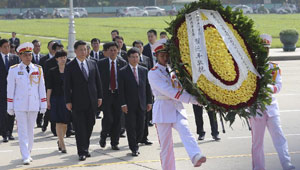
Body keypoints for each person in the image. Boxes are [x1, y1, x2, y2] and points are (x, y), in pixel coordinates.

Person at [148, 43, 206, 169]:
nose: (164, 58)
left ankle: (195, 155)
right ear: (156, 56)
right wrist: (192, 100)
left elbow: (180, 89)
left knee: (185, 129)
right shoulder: (153, 73)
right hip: (162, 109)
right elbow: (170, 91)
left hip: (176, 108)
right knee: (166, 146)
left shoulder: (172, 71)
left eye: (166, 55)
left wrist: (199, 99)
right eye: (161, 55)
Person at [250, 34, 295, 170]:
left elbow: (278, 86)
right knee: (257, 142)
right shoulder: (251, 69)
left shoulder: (274, 68)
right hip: (256, 109)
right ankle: (258, 167)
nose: (264, 53)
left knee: (279, 137)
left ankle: (286, 163)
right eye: (261, 50)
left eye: (266, 50)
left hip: (271, 108)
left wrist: (268, 87)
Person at [7, 42, 47, 165]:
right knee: (22, 131)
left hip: (34, 104)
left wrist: (43, 103)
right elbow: (10, 89)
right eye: (25, 55)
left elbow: (41, 87)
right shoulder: (14, 70)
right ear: (20, 56)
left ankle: (28, 152)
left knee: (30, 130)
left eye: (30, 55)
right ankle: (25, 155)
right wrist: (10, 105)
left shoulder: (38, 69)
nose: (28, 57)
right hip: (20, 104)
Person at [64, 40, 103, 161]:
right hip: (77, 102)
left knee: (90, 124)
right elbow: (66, 86)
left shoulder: (92, 63)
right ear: (75, 51)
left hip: (92, 101)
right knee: (80, 127)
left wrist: (100, 97)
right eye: (80, 49)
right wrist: (68, 101)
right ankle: (82, 151)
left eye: (85, 49)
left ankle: (85, 147)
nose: (83, 52)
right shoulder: (70, 66)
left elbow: (98, 82)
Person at [119, 47, 152, 156]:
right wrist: (123, 103)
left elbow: (147, 87)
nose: (134, 59)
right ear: (128, 58)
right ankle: (133, 147)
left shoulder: (144, 70)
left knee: (141, 126)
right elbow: (121, 90)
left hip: (142, 103)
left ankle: (137, 141)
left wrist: (149, 102)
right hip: (129, 104)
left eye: (136, 57)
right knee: (131, 126)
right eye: (132, 57)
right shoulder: (123, 72)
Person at [98, 42, 127, 150]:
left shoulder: (122, 63)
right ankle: (104, 135)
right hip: (106, 95)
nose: (113, 52)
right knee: (108, 118)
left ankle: (115, 142)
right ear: (107, 51)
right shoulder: (101, 63)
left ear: (118, 51)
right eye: (111, 50)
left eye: (115, 50)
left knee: (117, 119)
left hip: (118, 95)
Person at [46, 50, 71, 154]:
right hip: (56, 98)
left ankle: (60, 140)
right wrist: (48, 100)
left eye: (64, 57)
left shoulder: (70, 70)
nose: (63, 59)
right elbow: (49, 87)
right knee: (58, 121)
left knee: (65, 122)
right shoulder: (52, 71)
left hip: (67, 99)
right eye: (61, 58)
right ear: (56, 59)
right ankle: (62, 143)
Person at [133, 40, 153, 145]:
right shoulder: (131, 60)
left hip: (144, 92)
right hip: (134, 94)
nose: (139, 48)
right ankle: (136, 138)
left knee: (145, 118)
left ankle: (144, 137)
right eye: (136, 47)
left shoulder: (147, 59)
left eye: (140, 47)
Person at [0, 39, 19, 143]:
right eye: (4, 47)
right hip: (1, 91)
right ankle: (4, 133)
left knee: (11, 112)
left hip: (13, 91)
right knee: (3, 113)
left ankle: (10, 132)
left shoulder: (15, 58)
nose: (7, 49)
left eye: (8, 46)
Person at [32, 39, 45, 128]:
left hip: (41, 83)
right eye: (36, 46)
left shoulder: (43, 58)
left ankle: (39, 120)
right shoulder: (29, 57)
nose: (37, 48)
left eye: (39, 46)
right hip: (31, 83)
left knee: (41, 102)